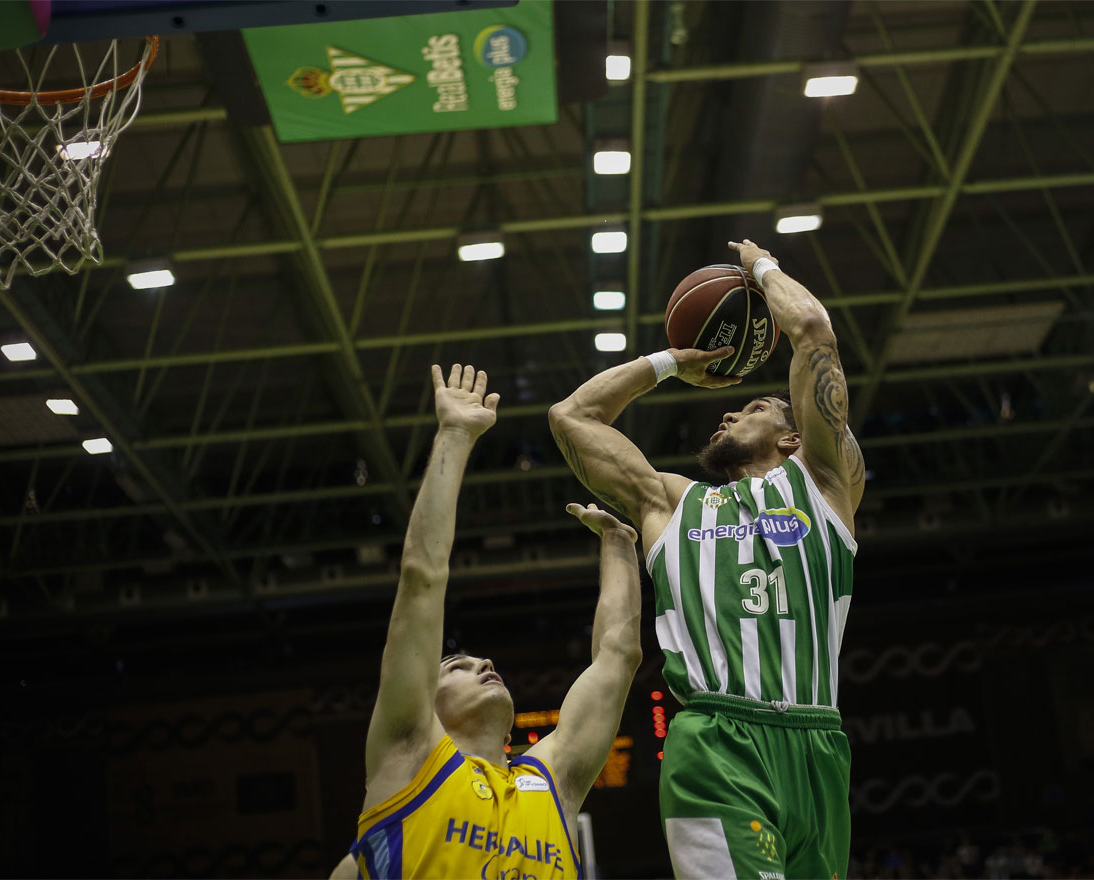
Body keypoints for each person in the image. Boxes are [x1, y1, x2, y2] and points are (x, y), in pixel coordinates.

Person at [549, 239, 866, 878]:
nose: (728, 408)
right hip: (718, 740)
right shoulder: (669, 502)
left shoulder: (826, 483)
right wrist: (669, 363)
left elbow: (811, 330)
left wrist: (760, 268)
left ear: (793, 435)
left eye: (751, 406)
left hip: (819, 745)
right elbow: (573, 416)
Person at [349, 363, 643, 880]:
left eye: (474, 659)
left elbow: (618, 659)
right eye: (456, 666)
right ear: (425, 703)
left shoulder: (554, 778)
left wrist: (619, 546)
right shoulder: (409, 755)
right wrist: (455, 436)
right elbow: (422, 577)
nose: (484, 661)